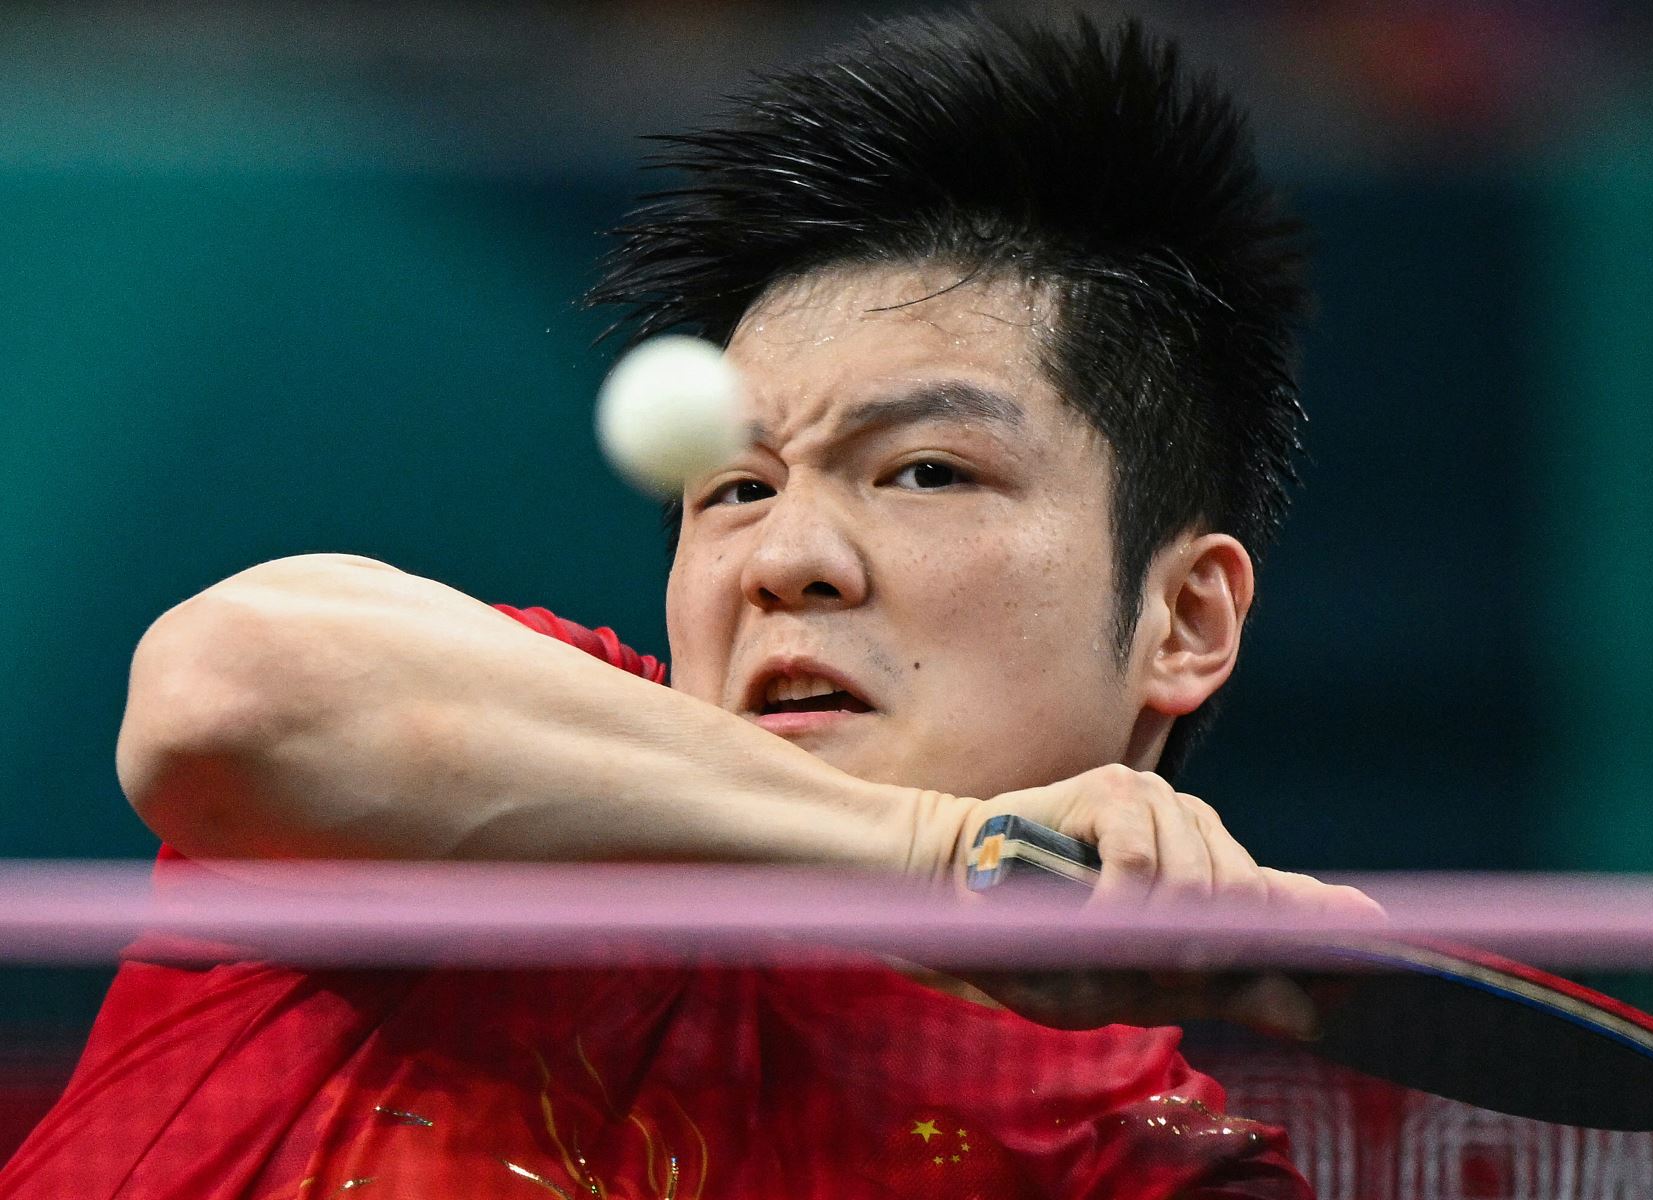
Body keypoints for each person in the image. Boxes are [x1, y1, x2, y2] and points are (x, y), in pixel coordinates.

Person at [0, 12, 1380, 1199]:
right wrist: (938, 855)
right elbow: (224, 697)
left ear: (1185, 619)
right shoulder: (489, 798)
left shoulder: (1144, 1169)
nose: (789, 558)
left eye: (926, 470)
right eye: (733, 488)